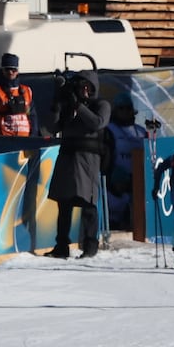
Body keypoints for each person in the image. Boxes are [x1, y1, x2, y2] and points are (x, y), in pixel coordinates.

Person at [45, 71, 111, 259]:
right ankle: (61, 246)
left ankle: (90, 246)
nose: (83, 90)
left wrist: (78, 106)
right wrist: (57, 105)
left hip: (88, 161)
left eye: (86, 86)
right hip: (67, 158)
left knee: (88, 203)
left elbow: (97, 123)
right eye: (80, 86)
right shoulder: (69, 105)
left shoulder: (101, 105)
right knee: (63, 204)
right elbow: (52, 128)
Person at [105, 93, 148, 230]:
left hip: (138, 182)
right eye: (121, 108)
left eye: (128, 108)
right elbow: (105, 158)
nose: (125, 112)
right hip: (116, 184)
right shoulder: (109, 130)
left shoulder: (142, 131)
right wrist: (111, 177)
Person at [0, 53, 37, 137]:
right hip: (3, 139)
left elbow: (32, 115)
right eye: (7, 69)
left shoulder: (27, 90)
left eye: (14, 70)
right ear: (2, 70)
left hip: (25, 139)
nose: (10, 72)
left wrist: (34, 134)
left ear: (18, 71)